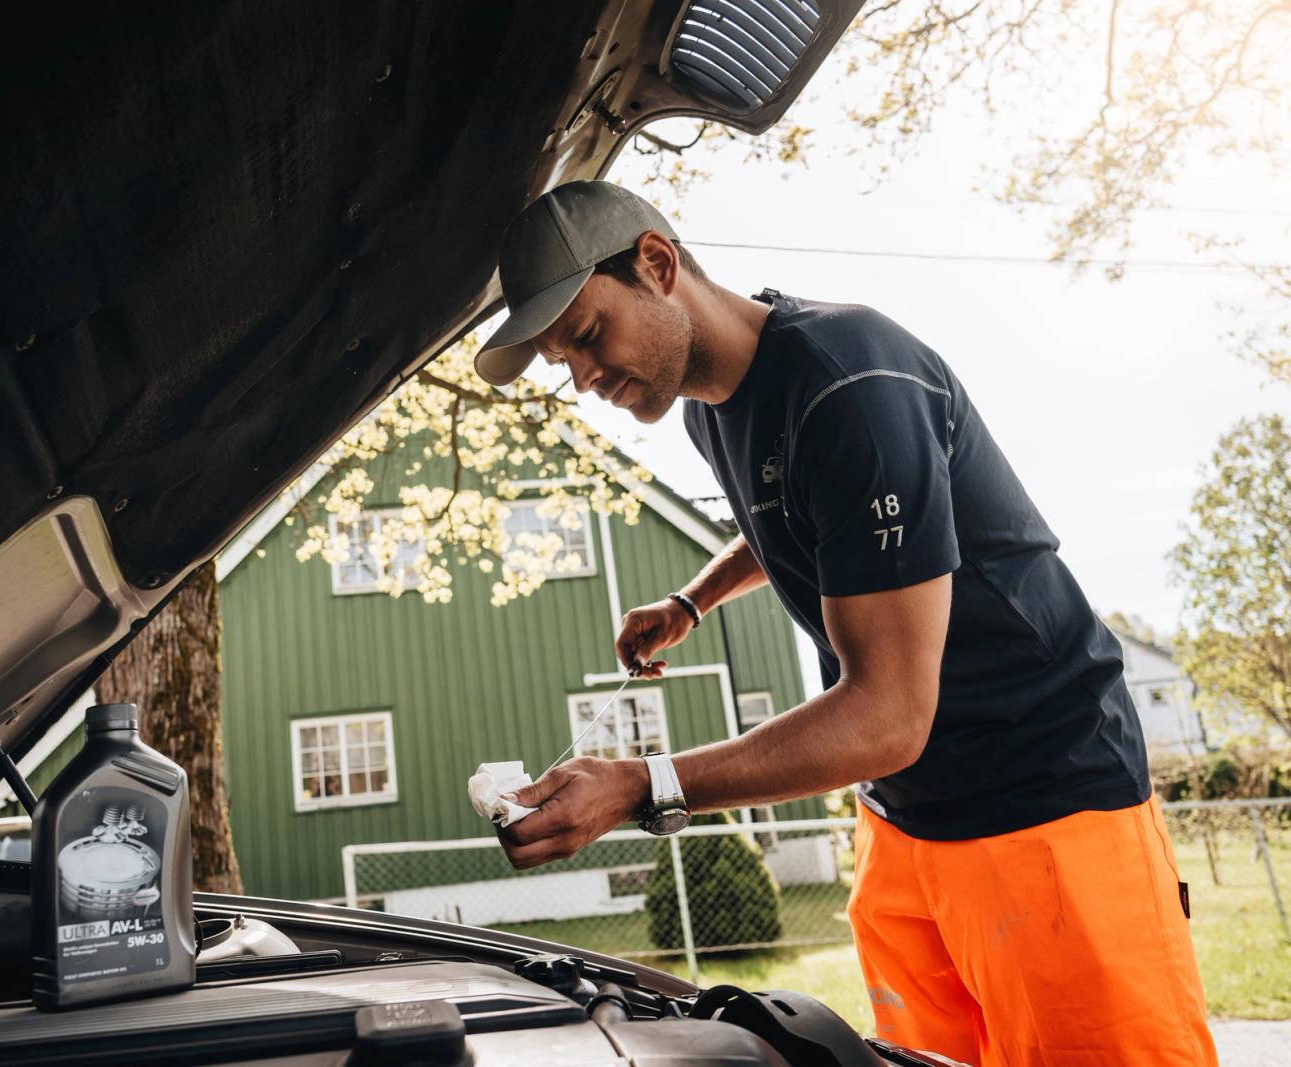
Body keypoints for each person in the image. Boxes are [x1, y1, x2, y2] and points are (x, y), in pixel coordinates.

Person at [475, 180, 1216, 1066]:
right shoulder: (715, 414)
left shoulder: (853, 379)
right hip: (905, 826)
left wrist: (643, 783)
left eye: (588, 335)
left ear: (657, 264)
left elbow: (889, 714)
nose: (584, 376)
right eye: (565, 360)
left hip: (1043, 802)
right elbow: (801, 510)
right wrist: (692, 602)